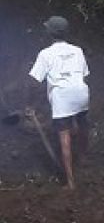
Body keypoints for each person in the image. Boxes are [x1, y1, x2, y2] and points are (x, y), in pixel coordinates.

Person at [26, 15, 89, 189]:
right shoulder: (77, 50)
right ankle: (83, 158)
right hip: (82, 93)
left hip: (63, 97)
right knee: (81, 123)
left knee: (64, 136)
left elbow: (34, 81)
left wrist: (30, 104)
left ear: (50, 33)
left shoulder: (46, 54)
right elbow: (84, 74)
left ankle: (70, 182)